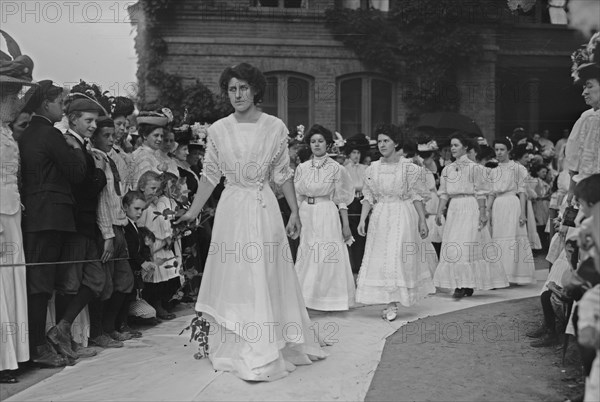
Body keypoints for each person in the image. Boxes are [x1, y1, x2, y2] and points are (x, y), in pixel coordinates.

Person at [176, 63, 326, 381]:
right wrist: (191, 212)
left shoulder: (274, 127)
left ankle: (271, 343)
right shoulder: (218, 130)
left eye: (244, 87)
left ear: (256, 90)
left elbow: (283, 174)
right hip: (232, 208)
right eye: (232, 88)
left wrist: (296, 212)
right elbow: (210, 176)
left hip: (263, 206)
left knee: (265, 270)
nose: (238, 94)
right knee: (237, 273)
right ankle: (236, 346)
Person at [19, 80, 87, 368]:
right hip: (50, 218)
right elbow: (77, 173)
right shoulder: (50, 134)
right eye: (60, 102)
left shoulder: (27, 134)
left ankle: (38, 345)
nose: (63, 107)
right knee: (41, 287)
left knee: (40, 285)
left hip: (37, 216)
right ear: (46, 104)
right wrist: (76, 147)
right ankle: (38, 348)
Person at [355, 124, 436, 321]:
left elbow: (416, 195)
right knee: (382, 256)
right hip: (381, 215)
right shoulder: (373, 168)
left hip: (402, 214)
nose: (382, 145)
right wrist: (363, 219)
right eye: (380, 141)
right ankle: (389, 300)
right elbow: (368, 196)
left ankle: (395, 301)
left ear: (396, 143)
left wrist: (422, 221)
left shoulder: (409, 168)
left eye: (386, 141)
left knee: (397, 255)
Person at [0, 34, 36, 383]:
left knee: (12, 279)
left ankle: (14, 357)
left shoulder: (6, 132)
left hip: (12, 214)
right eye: (11, 95)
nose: (16, 101)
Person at [433, 133, 509, 298]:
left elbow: (481, 193)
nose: (453, 148)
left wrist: (483, 213)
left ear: (465, 147)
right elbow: (444, 193)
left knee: (466, 245)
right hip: (454, 209)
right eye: (451, 145)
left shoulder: (476, 169)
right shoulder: (447, 169)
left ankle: (464, 284)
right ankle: (462, 283)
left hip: (470, 207)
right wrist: (439, 212)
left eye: (456, 145)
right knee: (453, 245)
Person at [294, 124, 355, 311]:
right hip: (306, 212)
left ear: (328, 144)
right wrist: (295, 217)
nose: (316, 145)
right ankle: (305, 298)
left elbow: (342, 199)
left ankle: (328, 299)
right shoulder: (302, 168)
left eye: (320, 141)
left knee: (326, 254)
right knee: (307, 252)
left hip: (326, 210)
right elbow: (298, 196)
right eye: (313, 142)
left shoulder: (336, 168)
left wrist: (346, 225)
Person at [88, 116, 136, 345]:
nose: (110, 139)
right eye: (105, 136)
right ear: (94, 136)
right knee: (104, 284)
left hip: (120, 225)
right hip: (105, 230)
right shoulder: (93, 158)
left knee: (124, 280)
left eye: (111, 135)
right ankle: (98, 332)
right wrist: (107, 234)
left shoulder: (112, 158)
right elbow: (100, 202)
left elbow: (119, 193)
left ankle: (110, 326)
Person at [489, 137, 536, 284]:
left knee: (513, 238)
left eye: (502, 149)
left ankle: (513, 275)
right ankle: (500, 275)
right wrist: (486, 211)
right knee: (498, 238)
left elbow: (522, 192)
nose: (499, 153)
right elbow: (491, 193)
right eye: (496, 150)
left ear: (508, 150)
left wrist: (523, 213)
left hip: (512, 204)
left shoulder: (517, 168)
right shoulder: (493, 170)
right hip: (498, 206)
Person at [343, 133, 370, 273]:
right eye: (353, 152)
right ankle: (350, 265)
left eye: (358, 152)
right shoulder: (344, 169)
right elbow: (346, 188)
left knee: (361, 235)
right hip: (349, 204)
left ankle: (360, 265)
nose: (356, 156)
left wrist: (358, 188)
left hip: (361, 203)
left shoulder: (365, 169)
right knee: (349, 235)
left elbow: (368, 187)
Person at [130, 109, 170, 188]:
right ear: (145, 135)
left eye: (161, 136)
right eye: (156, 135)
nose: (159, 139)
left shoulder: (154, 154)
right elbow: (141, 186)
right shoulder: (143, 156)